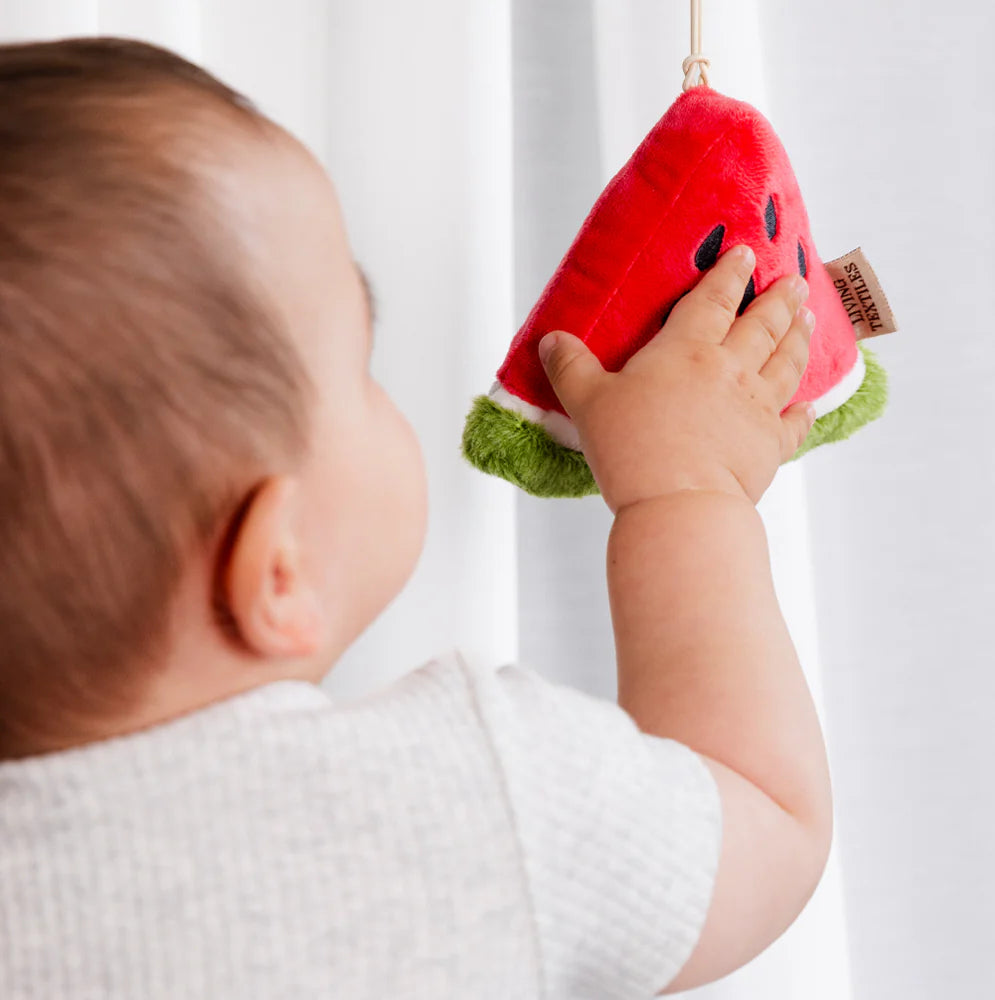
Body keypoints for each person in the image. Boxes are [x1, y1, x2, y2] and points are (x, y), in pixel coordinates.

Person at [0, 36, 831, 999]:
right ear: (277, 571)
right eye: (360, 361)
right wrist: (684, 492)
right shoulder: (481, 799)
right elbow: (767, 812)